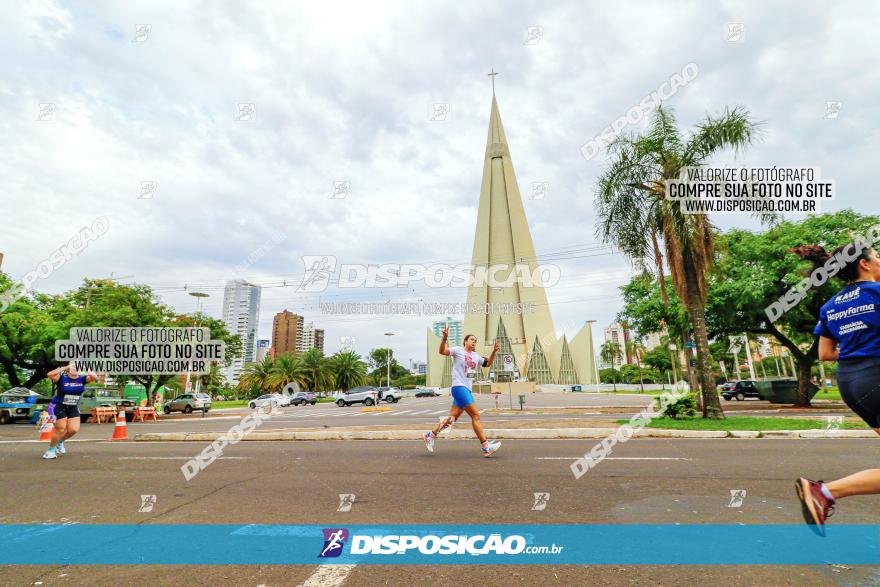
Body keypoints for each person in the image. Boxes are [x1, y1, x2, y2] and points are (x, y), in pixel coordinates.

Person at [793, 242, 880, 529]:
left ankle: (824, 493)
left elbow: (825, 354)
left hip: (851, 382)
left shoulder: (832, 306)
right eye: (877, 256)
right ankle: (824, 492)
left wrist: (860, 350)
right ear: (865, 264)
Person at [424, 328, 501, 457]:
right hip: (459, 387)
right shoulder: (458, 350)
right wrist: (444, 338)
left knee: (451, 419)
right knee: (475, 415)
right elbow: (442, 351)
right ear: (465, 341)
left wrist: (493, 351)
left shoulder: (476, 356)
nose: (474, 342)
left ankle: (430, 435)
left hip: (467, 389)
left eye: (475, 341)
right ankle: (486, 447)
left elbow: (487, 364)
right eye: (471, 339)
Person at [43, 362, 98, 459]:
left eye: (77, 367)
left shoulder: (83, 379)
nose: (75, 368)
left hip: (72, 406)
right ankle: (50, 451)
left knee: (73, 430)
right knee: (61, 429)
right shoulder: (61, 378)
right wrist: (66, 367)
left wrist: (85, 368)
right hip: (58, 406)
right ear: (69, 369)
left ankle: (60, 442)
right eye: (73, 366)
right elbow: (49, 374)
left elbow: (94, 377)